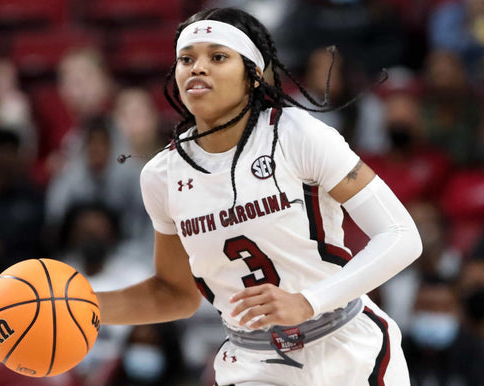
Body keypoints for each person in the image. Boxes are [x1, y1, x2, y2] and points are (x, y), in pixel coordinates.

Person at [96, 7, 422, 385]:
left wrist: (307, 301)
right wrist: (82, 305)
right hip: (254, 363)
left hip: (346, 347)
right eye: (186, 59)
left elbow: (402, 236)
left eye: (218, 57)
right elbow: (174, 294)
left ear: (253, 75)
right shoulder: (160, 176)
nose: (197, 68)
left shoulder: (298, 135)